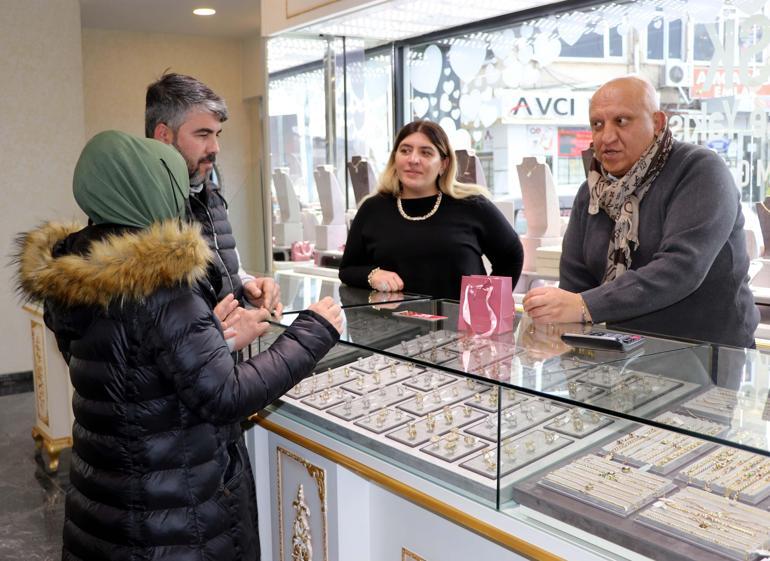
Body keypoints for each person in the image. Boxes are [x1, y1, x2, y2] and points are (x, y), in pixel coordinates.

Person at [14, 131, 342, 560]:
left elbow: (130, 372)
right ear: (153, 189)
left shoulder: (75, 273)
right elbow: (226, 395)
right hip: (172, 520)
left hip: (104, 506)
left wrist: (210, 338)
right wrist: (314, 330)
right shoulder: (160, 283)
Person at [523, 75, 758, 348]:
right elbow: (575, 280)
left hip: (709, 355)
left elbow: (681, 267)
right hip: (625, 352)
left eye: (621, 121)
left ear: (657, 123)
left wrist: (584, 306)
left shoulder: (699, 170)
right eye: (597, 124)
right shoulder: (592, 191)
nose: (606, 136)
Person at [145, 72, 283, 319]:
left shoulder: (213, 196)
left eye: (216, 135)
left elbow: (228, 269)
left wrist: (248, 285)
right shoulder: (140, 209)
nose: (215, 148)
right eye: (202, 135)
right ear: (164, 135)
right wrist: (217, 332)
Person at [339, 120, 524, 299]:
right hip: (391, 328)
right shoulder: (372, 209)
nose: (413, 159)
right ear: (395, 158)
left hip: (461, 329)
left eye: (426, 153)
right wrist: (372, 275)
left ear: (443, 164)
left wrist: (489, 305)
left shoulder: (473, 205)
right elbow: (347, 270)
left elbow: (511, 255)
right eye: (405, 150)